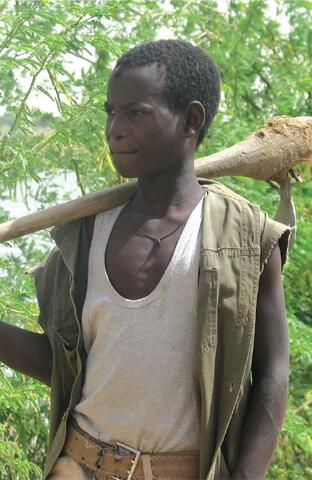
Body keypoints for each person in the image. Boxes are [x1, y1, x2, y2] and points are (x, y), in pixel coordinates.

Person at [0, 40, 290, 480]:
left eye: (135, 113)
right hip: (78, 466)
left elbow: (272, 373)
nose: (114, 128)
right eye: (110, 112)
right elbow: (62, 366)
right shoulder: (83, 234)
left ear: (190, 119)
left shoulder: (245, 240)